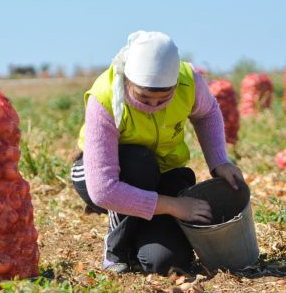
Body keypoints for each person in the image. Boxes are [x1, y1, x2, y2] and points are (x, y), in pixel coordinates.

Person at [72, 31, 245, 274]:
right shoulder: (105, 97)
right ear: (127, 81)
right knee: (139, 164)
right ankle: (116, 250)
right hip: (104, 176)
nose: (153, 107)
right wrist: (174, 206)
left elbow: (207, 113)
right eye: (144, 98)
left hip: (161, 174)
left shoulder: (188, 81)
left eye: (164, 98)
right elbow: (103, 191)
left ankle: (139, 234)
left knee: (166, 262)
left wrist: (219, 161)